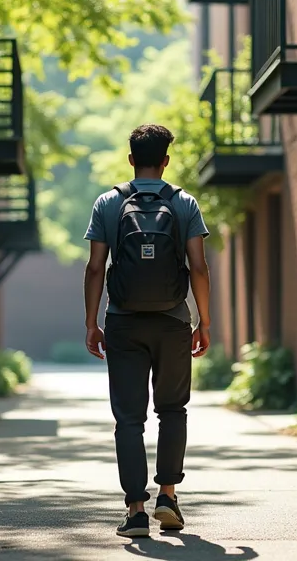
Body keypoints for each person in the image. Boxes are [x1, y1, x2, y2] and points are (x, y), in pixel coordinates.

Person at [83, 124, 212, 538]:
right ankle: (168, 498)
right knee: (172, 410)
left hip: (123, 321)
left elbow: (94, 267)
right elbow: (198, 267)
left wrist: (92, 321)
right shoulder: (184, 202)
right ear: (166, 161)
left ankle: (136, 511)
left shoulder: (108, 203)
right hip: (174, 321)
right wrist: (203, 320)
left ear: (130, 158)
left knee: (128, 418)